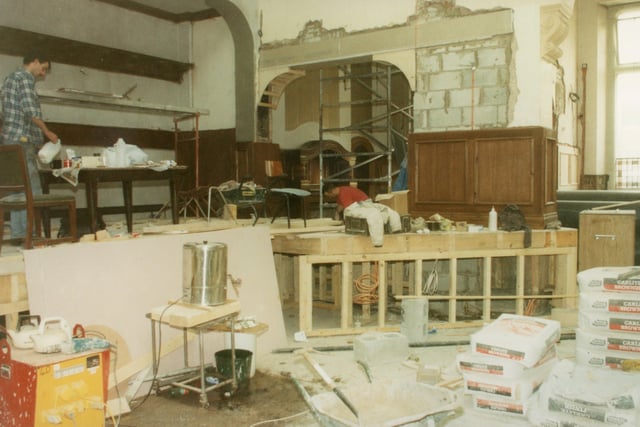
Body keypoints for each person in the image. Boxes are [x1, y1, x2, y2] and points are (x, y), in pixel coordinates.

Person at [1, 52, 58, 240]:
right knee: (32, 189)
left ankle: (19, 233)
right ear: (34, 61)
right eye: (43, 69)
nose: (43, 74)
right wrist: (47, 132)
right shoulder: (24, 78)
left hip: (9, 142)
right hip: (22, 141)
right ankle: (31, 234)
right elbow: (30, 111)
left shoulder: (9, 79)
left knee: (18, 190)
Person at [323, 183, 402, 247]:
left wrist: (341, 219)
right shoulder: (341, 192)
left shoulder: (343, 193)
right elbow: (340, 207)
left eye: (328, 195)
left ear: (331, 191)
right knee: (382, 212)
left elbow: (349, 208)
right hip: (361, 204)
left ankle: (378, 241)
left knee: (373, 214)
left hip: (364, 204)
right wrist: (336, 213)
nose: (329, 198)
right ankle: (396, 227)